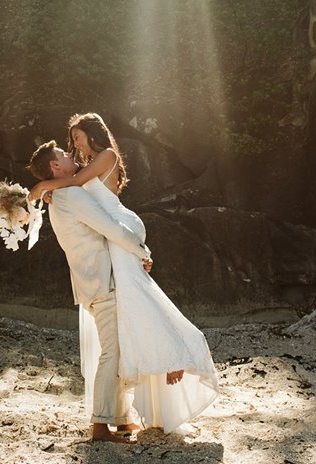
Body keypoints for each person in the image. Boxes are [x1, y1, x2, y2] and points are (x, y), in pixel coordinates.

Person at [29, 113, 219, 434]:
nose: (71, 147)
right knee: (125, 335)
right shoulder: (68, 191)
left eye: (76, 138)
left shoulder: (97, 163)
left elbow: (78, 187)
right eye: (67, 147)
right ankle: (109, 417)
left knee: (128, 328)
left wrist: (44, 187)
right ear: (55, 166)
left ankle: (123, 411)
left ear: (92, 134)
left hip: (114, 252)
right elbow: (85, 202)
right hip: (110, 261)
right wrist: (46, 190)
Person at [27, 139, 150, 443]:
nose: (71, 155)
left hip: (92, 281)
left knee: (116, 349)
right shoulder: (68, 195)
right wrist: (142, 250)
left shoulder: (59, 195)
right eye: (63, 155)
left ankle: (120, 420)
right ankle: (100, 426)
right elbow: (108, 227)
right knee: (112, 352)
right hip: (101, 281)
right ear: (56, 167)